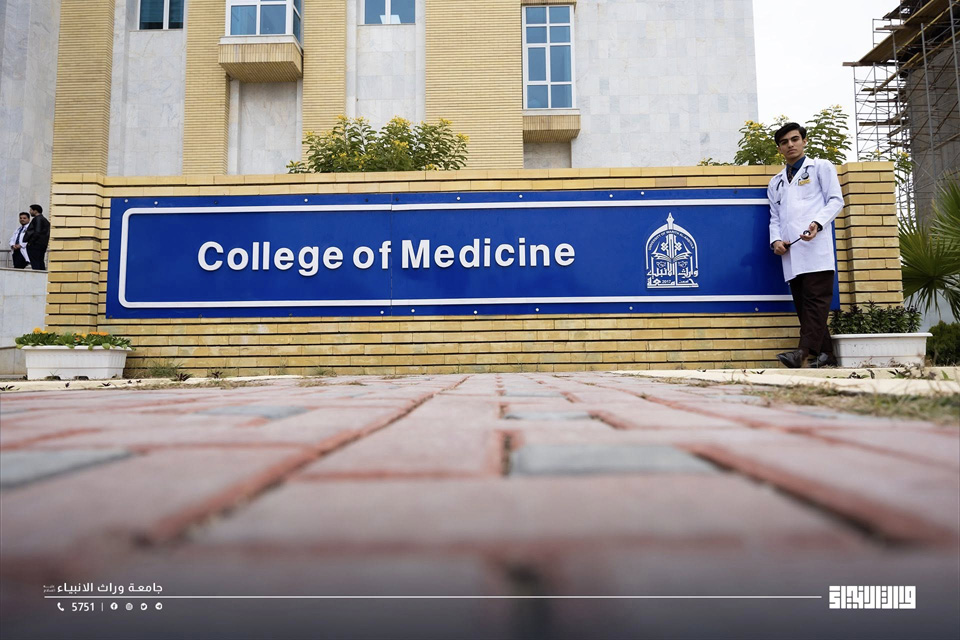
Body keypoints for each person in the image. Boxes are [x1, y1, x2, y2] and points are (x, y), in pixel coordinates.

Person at [768, 123, 844, 368]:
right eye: (784, 142)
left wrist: (817, 223)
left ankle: (801, 354)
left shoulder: (821, 167)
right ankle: (827, 356)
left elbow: (836, 201)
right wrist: (775, 241)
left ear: (804, 141)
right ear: (779, 149)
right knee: (805, 307)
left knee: (815, 302)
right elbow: (775, 217)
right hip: (791, 254)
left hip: (816, 250)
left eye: (794, 139)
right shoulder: (776, 182)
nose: (790, 145)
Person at [23, 203, 50, 271]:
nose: (30, 211)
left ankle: (38, 277)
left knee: (35, 263)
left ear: (35, 211)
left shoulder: (37, 219)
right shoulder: (44, 220)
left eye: (31, 210)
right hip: (42, 244)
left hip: (35, 245)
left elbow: (37, 232)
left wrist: (31, 242)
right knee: (40, 262)